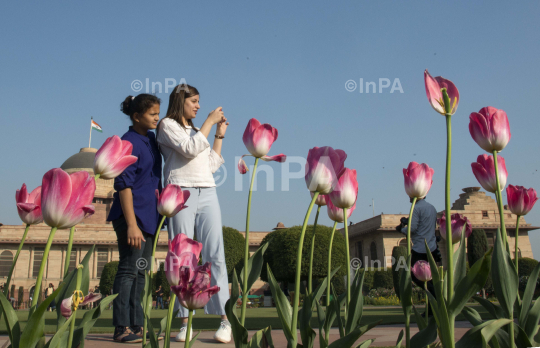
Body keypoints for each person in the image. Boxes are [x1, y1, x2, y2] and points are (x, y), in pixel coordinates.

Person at [156, 84, 231, 343]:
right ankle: (185, 322)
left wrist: (218, 135)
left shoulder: (199, 130)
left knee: (215, 253)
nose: (198, 106)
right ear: (181, 101)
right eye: (194, 101)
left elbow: (210, 164)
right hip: (180, 192)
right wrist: (210, 122)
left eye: (200, 102)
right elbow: (188, 149)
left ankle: (224, 319)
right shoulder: (167, 125)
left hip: (208, 191)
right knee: (182, 258)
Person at [107, 93, 162, 343]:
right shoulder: (127, 142)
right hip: (133, 218)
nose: (156, 118)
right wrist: (131, 224)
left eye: (158, 114)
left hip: (149, 218)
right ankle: (121, 327)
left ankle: (138, 325)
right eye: (152, 114)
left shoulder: (150, 139)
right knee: (129, 270)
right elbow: (123, 184)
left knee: (141, 272)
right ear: (136, 116)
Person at [396, 196, 442, 315]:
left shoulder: (416, 208)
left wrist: (402, 230)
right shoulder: (432, 208)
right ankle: (432, 308)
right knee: (429, 277)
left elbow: (413, 228)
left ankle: (436, 297)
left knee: (415, 275)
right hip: (431, 247)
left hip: (420, 248)